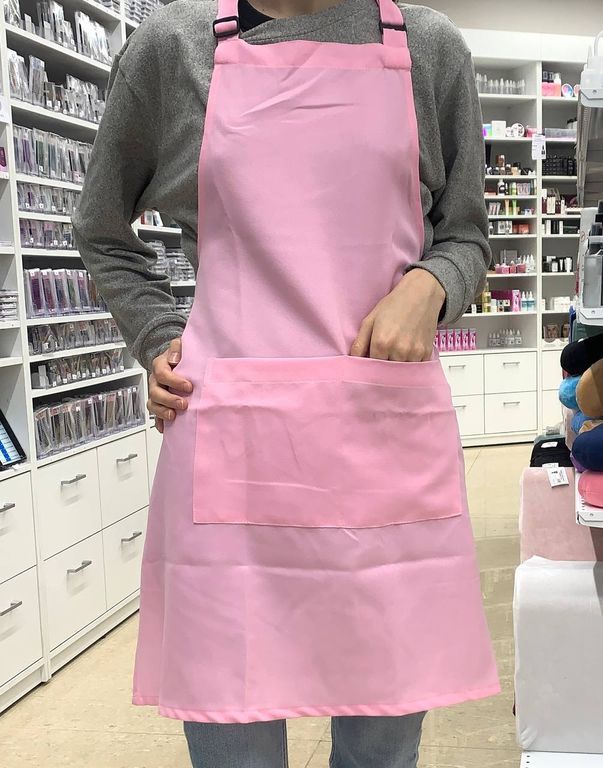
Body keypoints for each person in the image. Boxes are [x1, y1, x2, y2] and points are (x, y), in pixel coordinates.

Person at [72, 1, 500, 766]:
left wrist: (431, 284)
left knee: (381, 748)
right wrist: (158, 334)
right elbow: (100, 228)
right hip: (234, 443)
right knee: (233, 736)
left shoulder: (430, 48)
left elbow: (465, 232)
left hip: (380, 435)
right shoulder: (173, 47)